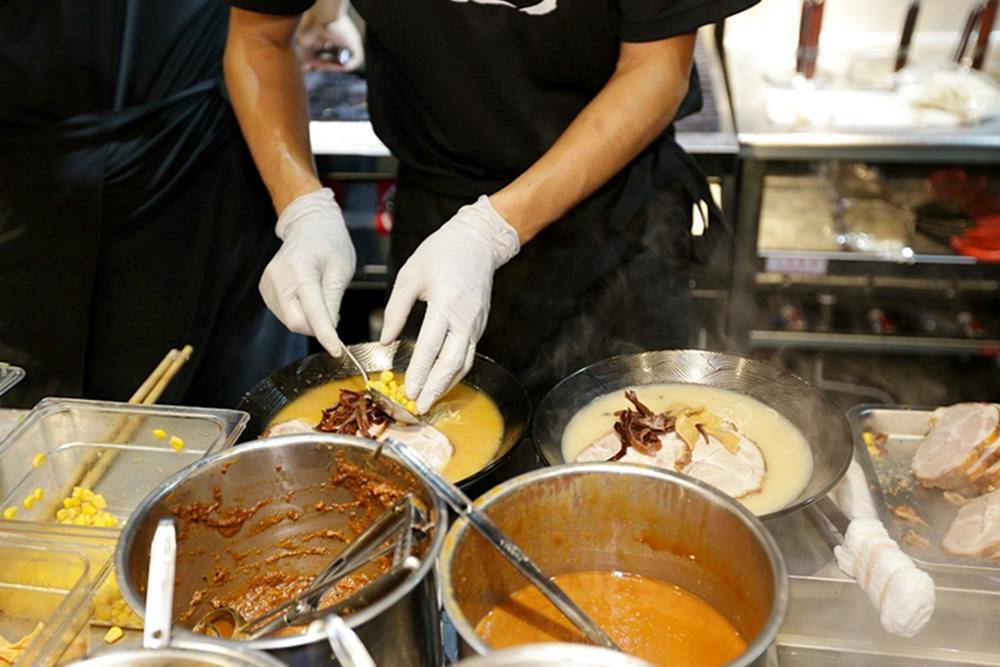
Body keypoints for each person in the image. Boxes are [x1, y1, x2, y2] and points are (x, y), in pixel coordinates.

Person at [225, 0, 758, 409]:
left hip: (612, 222)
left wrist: (492, 229)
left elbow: (657, 66)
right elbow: (258, 37)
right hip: (438, 228)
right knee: (441, 479)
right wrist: (302, 208)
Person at [0, 1, 356, 408]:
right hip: (19, 195)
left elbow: (262, 33)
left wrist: (303, 208)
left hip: (201, 167)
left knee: (229, 425)